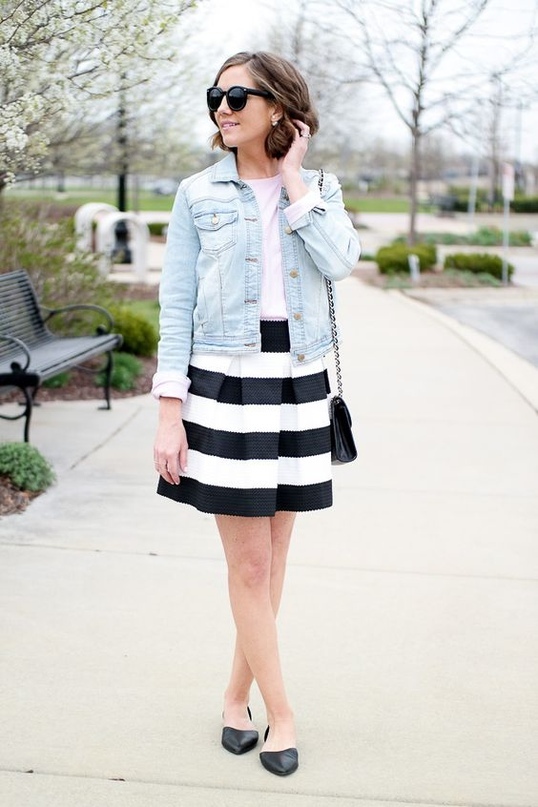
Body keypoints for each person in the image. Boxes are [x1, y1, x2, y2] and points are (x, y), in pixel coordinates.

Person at [152, 51, 360, 776]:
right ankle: (284, 713)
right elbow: (175, 305)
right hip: (225, 381)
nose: (223, 106)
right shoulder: (196, 193)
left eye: (238, 95)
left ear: (279, 106)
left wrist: (295, 179)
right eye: (217, 94)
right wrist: (169, 412)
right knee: (248, 561)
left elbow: (340, 262)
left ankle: (235, 696)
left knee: (271, 560)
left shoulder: (319, 189)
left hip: (300, 379)